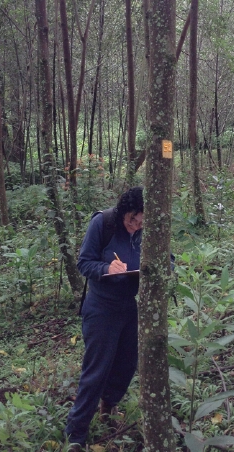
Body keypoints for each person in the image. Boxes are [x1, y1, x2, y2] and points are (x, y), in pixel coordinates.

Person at [66, 187, 144, 451]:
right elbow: (84, 262)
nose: (135, 227)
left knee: (127, 363)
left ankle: (108, 408)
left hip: (129, 306)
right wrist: (106, 268)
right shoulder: (103, 223)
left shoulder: (147, 231)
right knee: (96, 370)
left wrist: (164, 265)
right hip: (101, 307)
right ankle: (75, 434)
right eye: (132, 220)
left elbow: (167, 256)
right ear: (123, 213)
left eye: (141, 222)